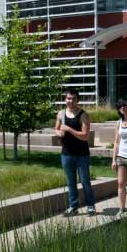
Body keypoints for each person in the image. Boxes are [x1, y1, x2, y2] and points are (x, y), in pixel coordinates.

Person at [54, 87, 96, 215]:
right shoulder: (61, 114)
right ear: (65, 99)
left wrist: (68, 129)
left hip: (82, 154)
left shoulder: (83, 115)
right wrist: (59, 133)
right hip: (66, 154)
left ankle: (90, 206)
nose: (70, 101)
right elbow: (56, 128)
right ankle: (73, 207)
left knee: (85, 181)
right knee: (70, 182)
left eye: (73, 99)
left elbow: (85, 136)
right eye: (68, 98)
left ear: (77, 100)